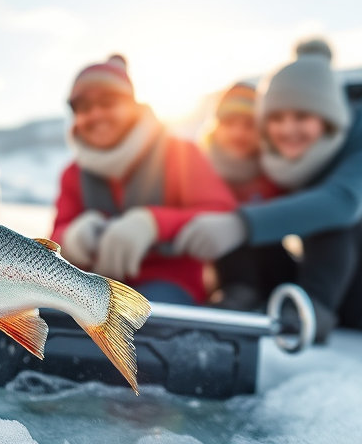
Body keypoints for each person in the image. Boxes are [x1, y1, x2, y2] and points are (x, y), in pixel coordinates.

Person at [174, 39, 362, 341]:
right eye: (277, 118)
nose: (288, 130)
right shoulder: (283, 157)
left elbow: (343, 203)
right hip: (321, 276)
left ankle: (309, 315)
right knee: (252, 209)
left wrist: (241, 224)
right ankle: (240, 293)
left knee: (328, 214)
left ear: (326, 119)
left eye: (301, 117)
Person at [51, 55, 236, 305]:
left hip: (171, 289)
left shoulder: (180, 154)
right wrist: (73, 238)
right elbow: (55, 237)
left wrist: (153, 223)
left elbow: (223, 213)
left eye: (108, 102)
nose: (96, 114)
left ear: (132, 105)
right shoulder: (73, 174)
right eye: (83, 107)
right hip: (92, 288)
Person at [201, 82, 281, 204]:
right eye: (229, 123)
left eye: (249, 125)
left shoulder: (277, 178)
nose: (238, 134)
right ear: (215, 128)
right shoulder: (193, 175)